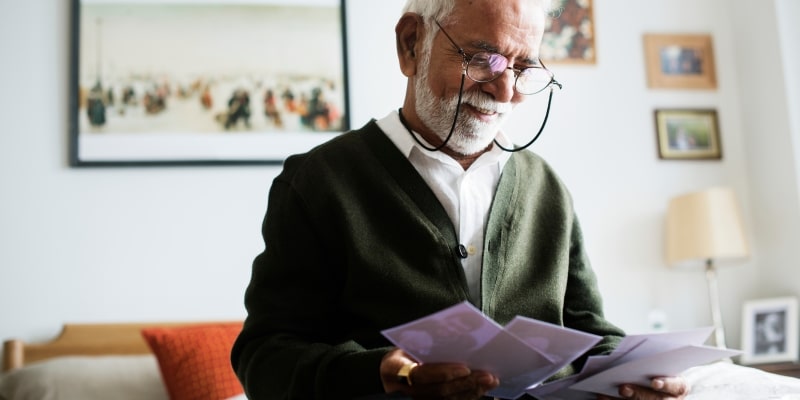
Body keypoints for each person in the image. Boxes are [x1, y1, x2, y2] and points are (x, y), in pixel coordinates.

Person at [231, 0, 690, 399]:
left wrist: (637, 377)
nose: (505, 92)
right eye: (484, 58)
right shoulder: (319, 182)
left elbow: (589, 333)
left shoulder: (545, 187)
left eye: (524, 68)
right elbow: (265, 357)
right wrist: (382, 373)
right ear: (412, 45)